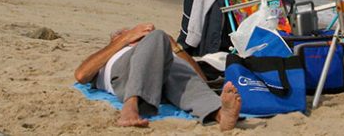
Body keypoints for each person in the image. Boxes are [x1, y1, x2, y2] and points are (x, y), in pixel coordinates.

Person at [74, 23, 241, 130]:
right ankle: (131, 103)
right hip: (127, 76)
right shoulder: (110, 54)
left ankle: (219, 113)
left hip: (165, 83)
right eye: (133, 33)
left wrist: (174, 47)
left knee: (176, 67)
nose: (138, 36)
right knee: (158, 35)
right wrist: (125, 39)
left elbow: (201, 80)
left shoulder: (159, 47)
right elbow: (81, 75)